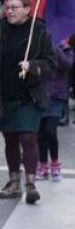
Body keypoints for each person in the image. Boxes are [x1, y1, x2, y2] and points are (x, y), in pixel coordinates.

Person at [0, 0, 57, 204]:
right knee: (11, 139)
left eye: (15, 7)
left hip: (29, 95)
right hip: (5, 92)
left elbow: (50, 63)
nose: (10, 11)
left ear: (27, 9)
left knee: (28, 137)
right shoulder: (1, 28)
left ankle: (30, 184)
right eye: (8, 7)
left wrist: (32, 65)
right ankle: (13, 181)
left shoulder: (39, 30)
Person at [38, 35, 72, 181]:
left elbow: (67, 64)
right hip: (40, 95)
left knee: (51, 131)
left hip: (57, 96)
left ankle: (55, 164)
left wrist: (56, 50)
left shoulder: (65, 49)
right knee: (40, 133)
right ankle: (43, 165)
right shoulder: (40, 46)